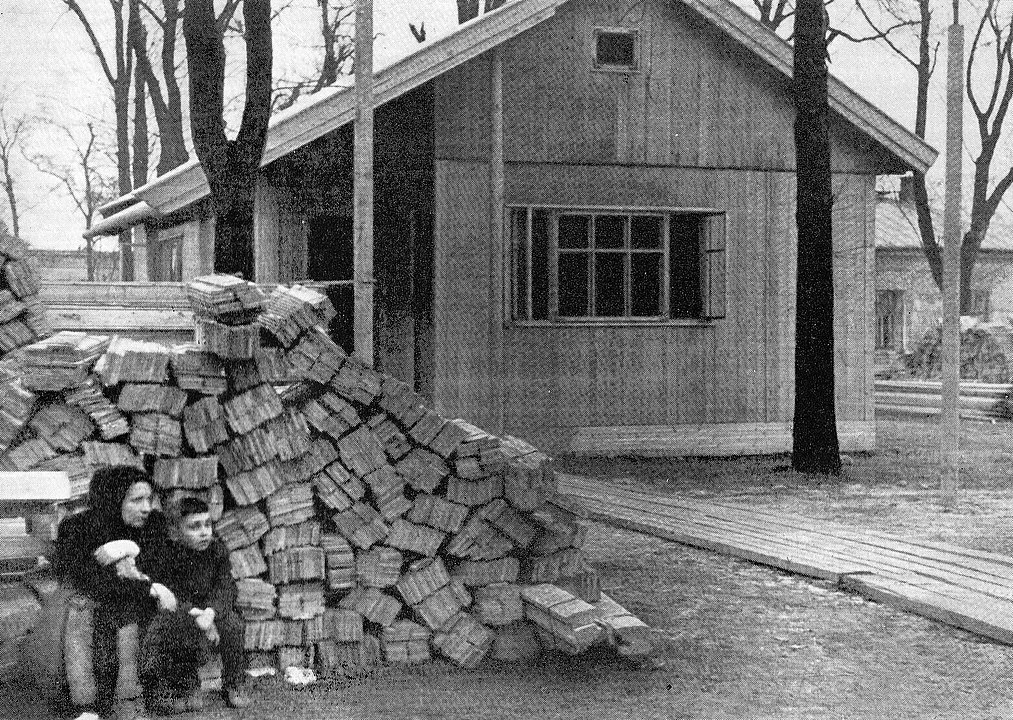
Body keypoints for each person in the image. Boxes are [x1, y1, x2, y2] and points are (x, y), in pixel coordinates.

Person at [52, 465, 177, 720]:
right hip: (94, 605)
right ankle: (92, 705)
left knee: (128, 613)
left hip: (135, 605)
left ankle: (130, 699)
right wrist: (148, 587)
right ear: (112, 499)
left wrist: (127, 549)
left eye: (149, 499)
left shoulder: (153, 525)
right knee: (92, 611)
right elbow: (90, 580)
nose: (146, 508)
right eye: (136, 500)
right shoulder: (77, 527)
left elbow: (160, 571)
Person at [144, 496, 251, 712]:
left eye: (207, 525)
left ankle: (233, 683)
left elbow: (225, 586)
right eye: (194, 527)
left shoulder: (217, 550)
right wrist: (197, 616)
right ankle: (188, 685)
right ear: (176, 532)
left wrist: (210, 613)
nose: (204, 532)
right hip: (185, 611)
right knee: (178, 630)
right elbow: (172, 594)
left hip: (213, 609)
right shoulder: (169, 555)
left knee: (233, 626)